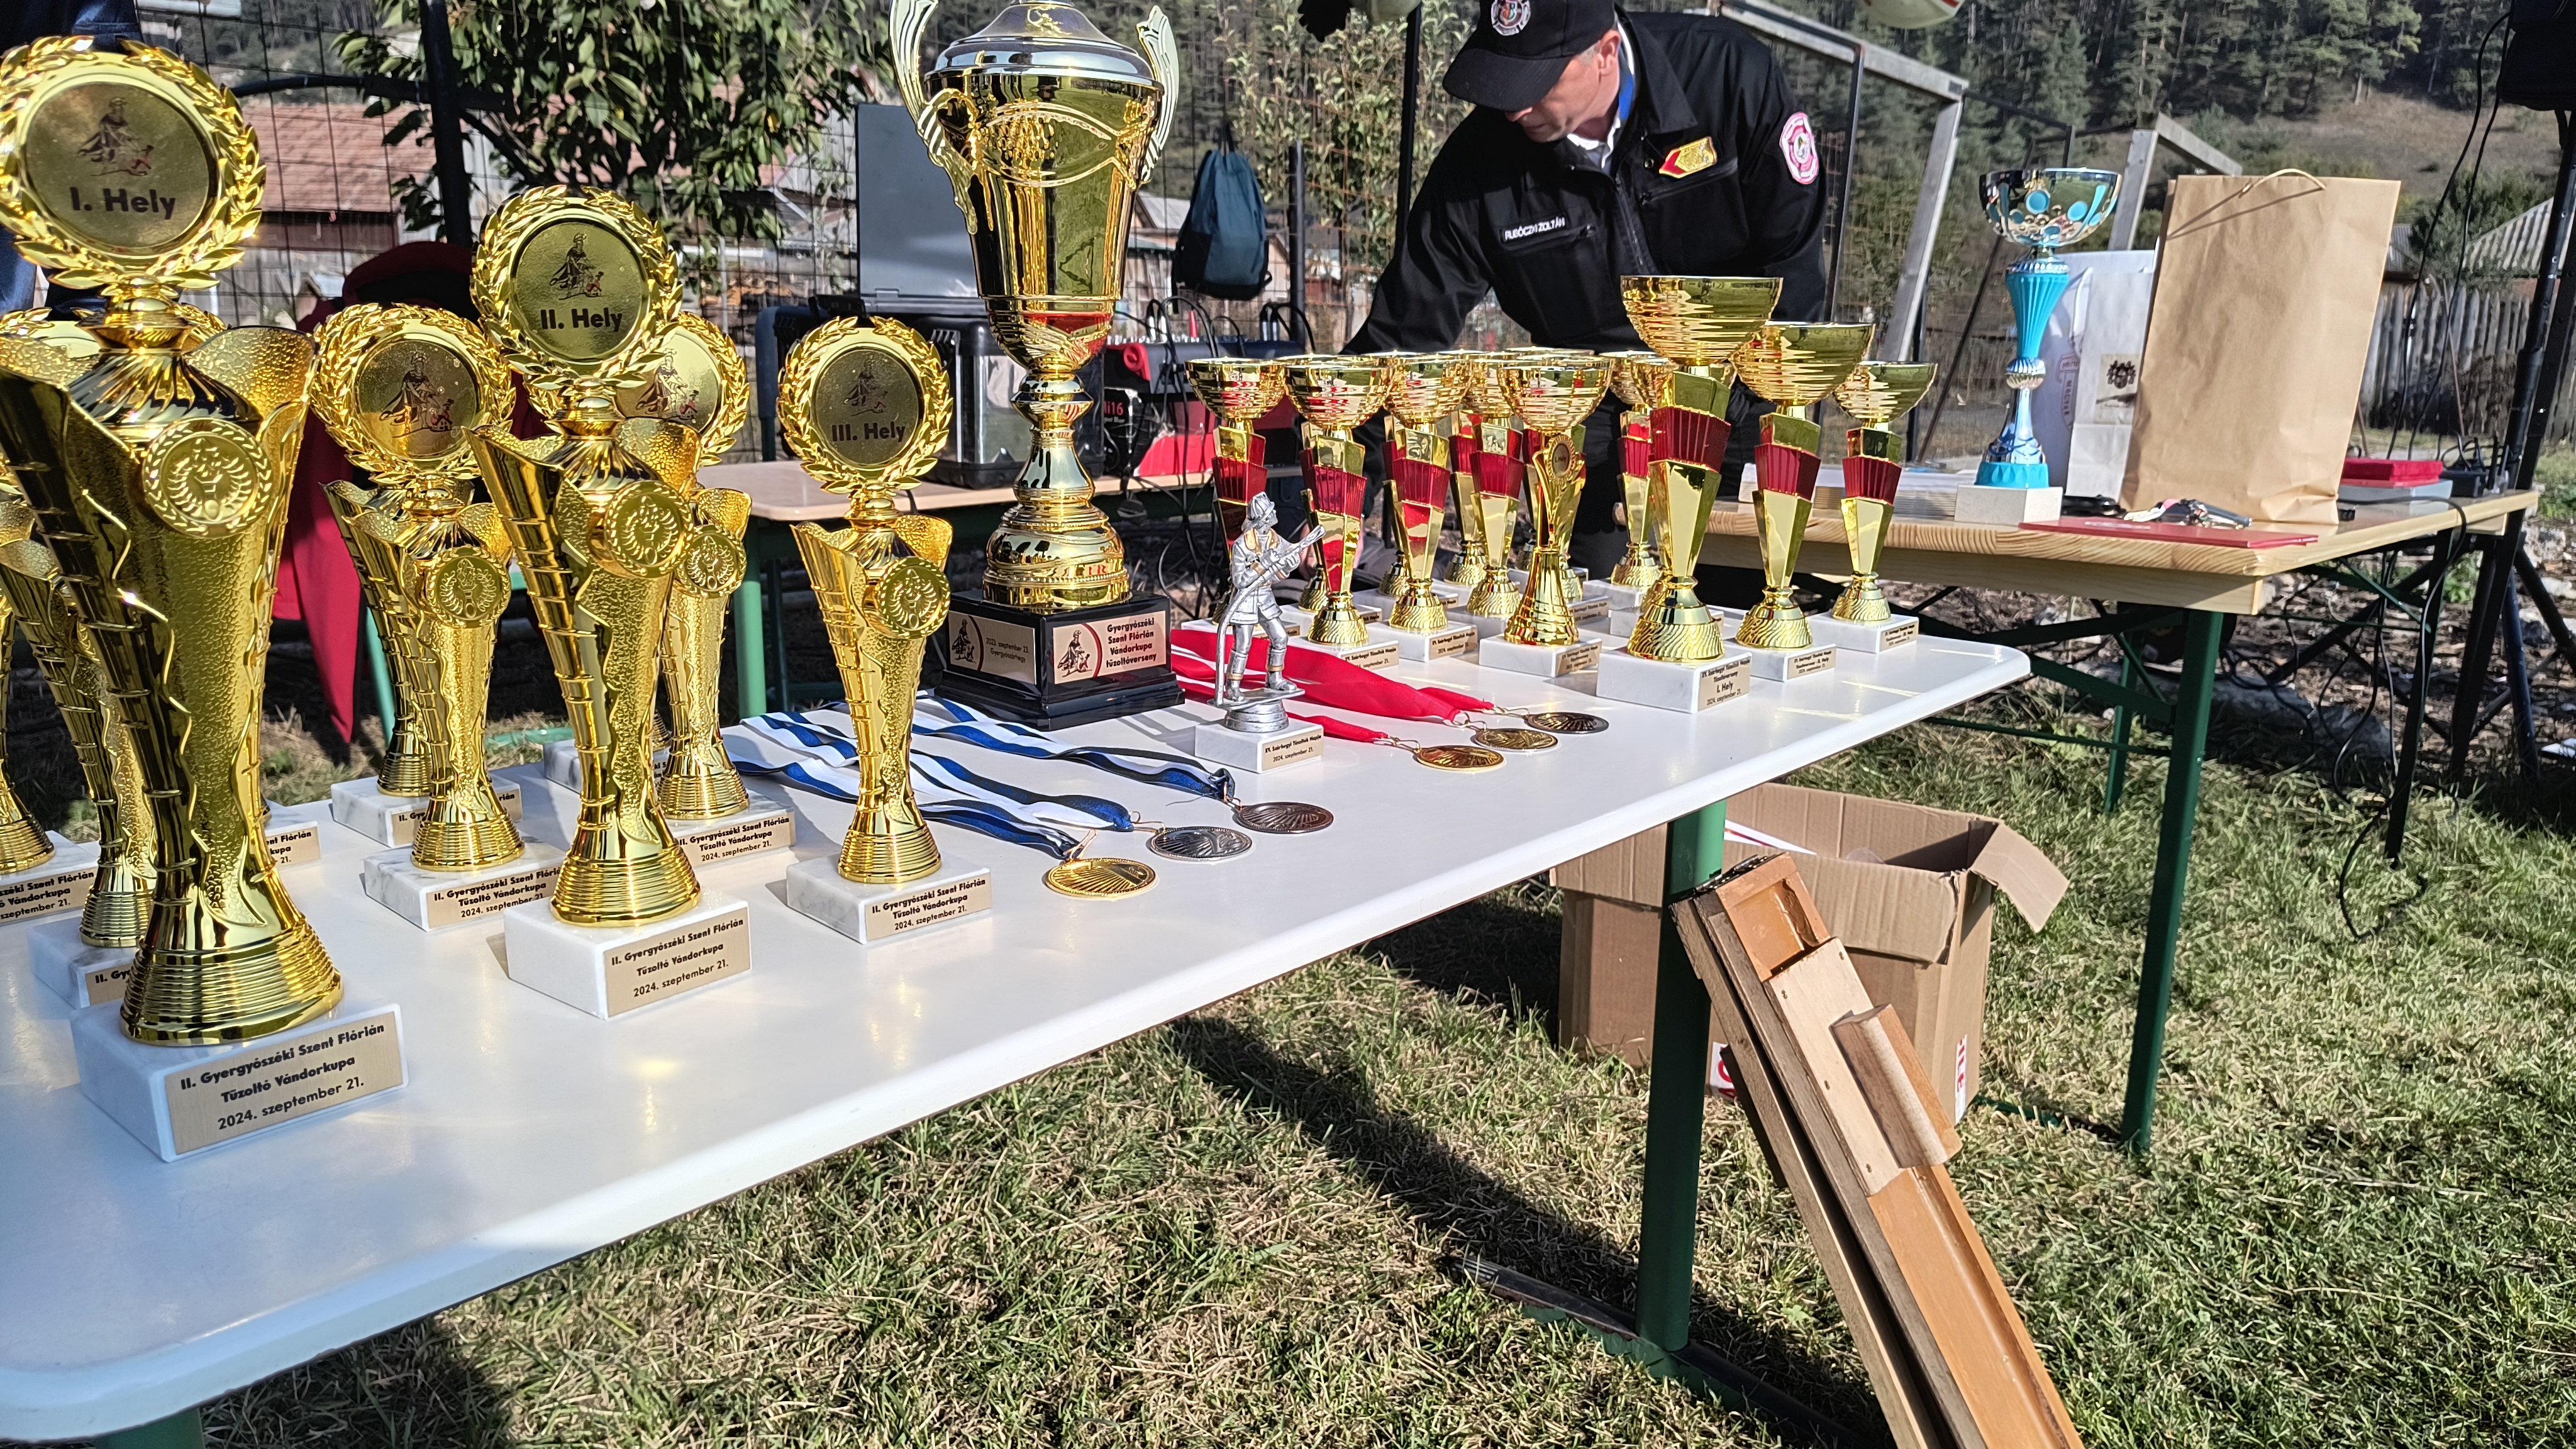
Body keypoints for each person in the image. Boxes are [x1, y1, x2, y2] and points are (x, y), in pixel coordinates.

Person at [1346, 0, 1827, 580]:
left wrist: (1751, 397)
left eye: (1536, 82)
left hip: (1738, 398)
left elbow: (1792, 258)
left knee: (1745, 599)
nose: (1514, 107)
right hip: (1592, 418)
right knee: (1600, 610)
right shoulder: (1477, 165)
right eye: (1502, 80)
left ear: (1605, 51)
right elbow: (1406, 329)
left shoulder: (1728, 78)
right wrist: (1339, 485)